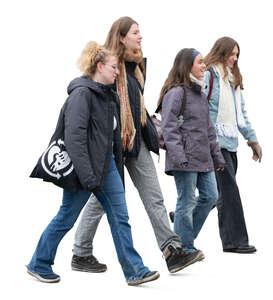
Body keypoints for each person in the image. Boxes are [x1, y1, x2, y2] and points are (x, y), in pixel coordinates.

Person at [71, 16, 201, 275]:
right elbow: (94, 102)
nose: (140, 37)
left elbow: (136, 101)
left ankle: (171, 250)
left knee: (154, 195)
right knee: (100, 200)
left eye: (140, 32)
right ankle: (81, 252)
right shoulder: (107, 66)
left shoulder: (136, 66)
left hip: (136, 139)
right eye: (135, 32)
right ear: (121, 37)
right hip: (113, 144)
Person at [26, 41, 160, 286]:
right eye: (113, 67)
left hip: (106, 167)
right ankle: (39, 263)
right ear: (99, 66)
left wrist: (113, 168)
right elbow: (74, 139)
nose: (117, 72)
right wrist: (88, 178)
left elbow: (111, 138)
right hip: (83, 169)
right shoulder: (81, 95)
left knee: (120, 217)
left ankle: (135, 270)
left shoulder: (107, 96)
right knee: (66, 217)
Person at [159, 48, 225, 254]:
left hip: (203, 158)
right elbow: (169, 127)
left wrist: (218, 157)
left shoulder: (200, 94)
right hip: (185, 159)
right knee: (186, 202)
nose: (204, 66)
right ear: (187, 66)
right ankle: (185, 247)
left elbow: (209, 130)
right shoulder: (176, 93)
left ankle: (183, 237)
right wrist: (179, 157)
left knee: (211, 196)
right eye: (200, 62)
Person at [203, 37, 262, 253]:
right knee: (229, 193)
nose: (234, 58)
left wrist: (252, 139)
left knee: (216, 193)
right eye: (232, 54)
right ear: (221, 52)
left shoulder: (233, 79)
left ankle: (183, 215)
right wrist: (210, 140)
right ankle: (237, 241)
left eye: (237, 55)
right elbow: (200, 108)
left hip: (231, 144)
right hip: (214, 144)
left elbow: (241, 115)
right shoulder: (209, 74)